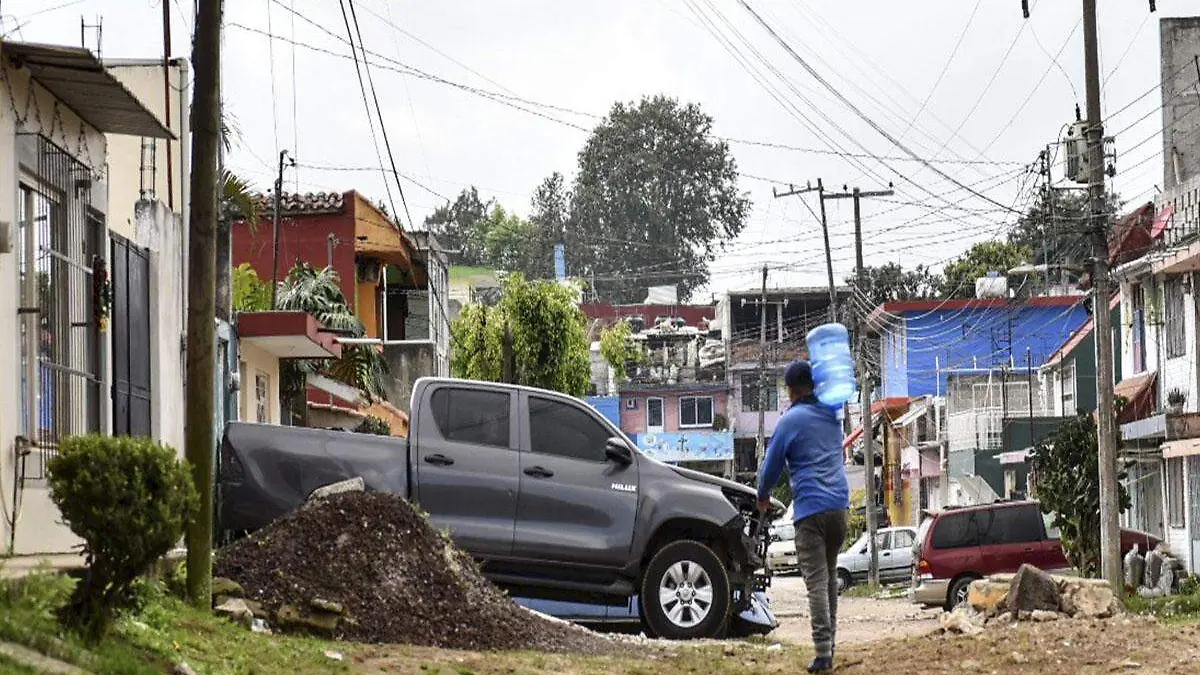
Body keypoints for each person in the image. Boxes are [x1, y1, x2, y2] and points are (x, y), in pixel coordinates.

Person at [756, 360, 850, 674]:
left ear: (791, 390)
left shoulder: (790, 420)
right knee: (829, 578)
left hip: (811, 511)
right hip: (840, 508)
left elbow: (770, 468)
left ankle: (823, 653)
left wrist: (763, 496)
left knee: (817, 584)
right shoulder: (831, 416)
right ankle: (830, 647)